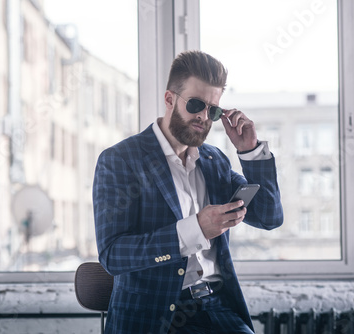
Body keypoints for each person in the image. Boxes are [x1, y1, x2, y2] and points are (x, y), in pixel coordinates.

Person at [93, 50, 283, 334]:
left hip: (218, 309)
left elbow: (269, 217)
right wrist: (194, 230)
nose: (204, 117)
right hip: (154, 316)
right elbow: (113, 256)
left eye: (214, 110)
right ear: (170, 99)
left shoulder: (214, 160)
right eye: (196, 104)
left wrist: (249, 151)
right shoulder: (120, 160)